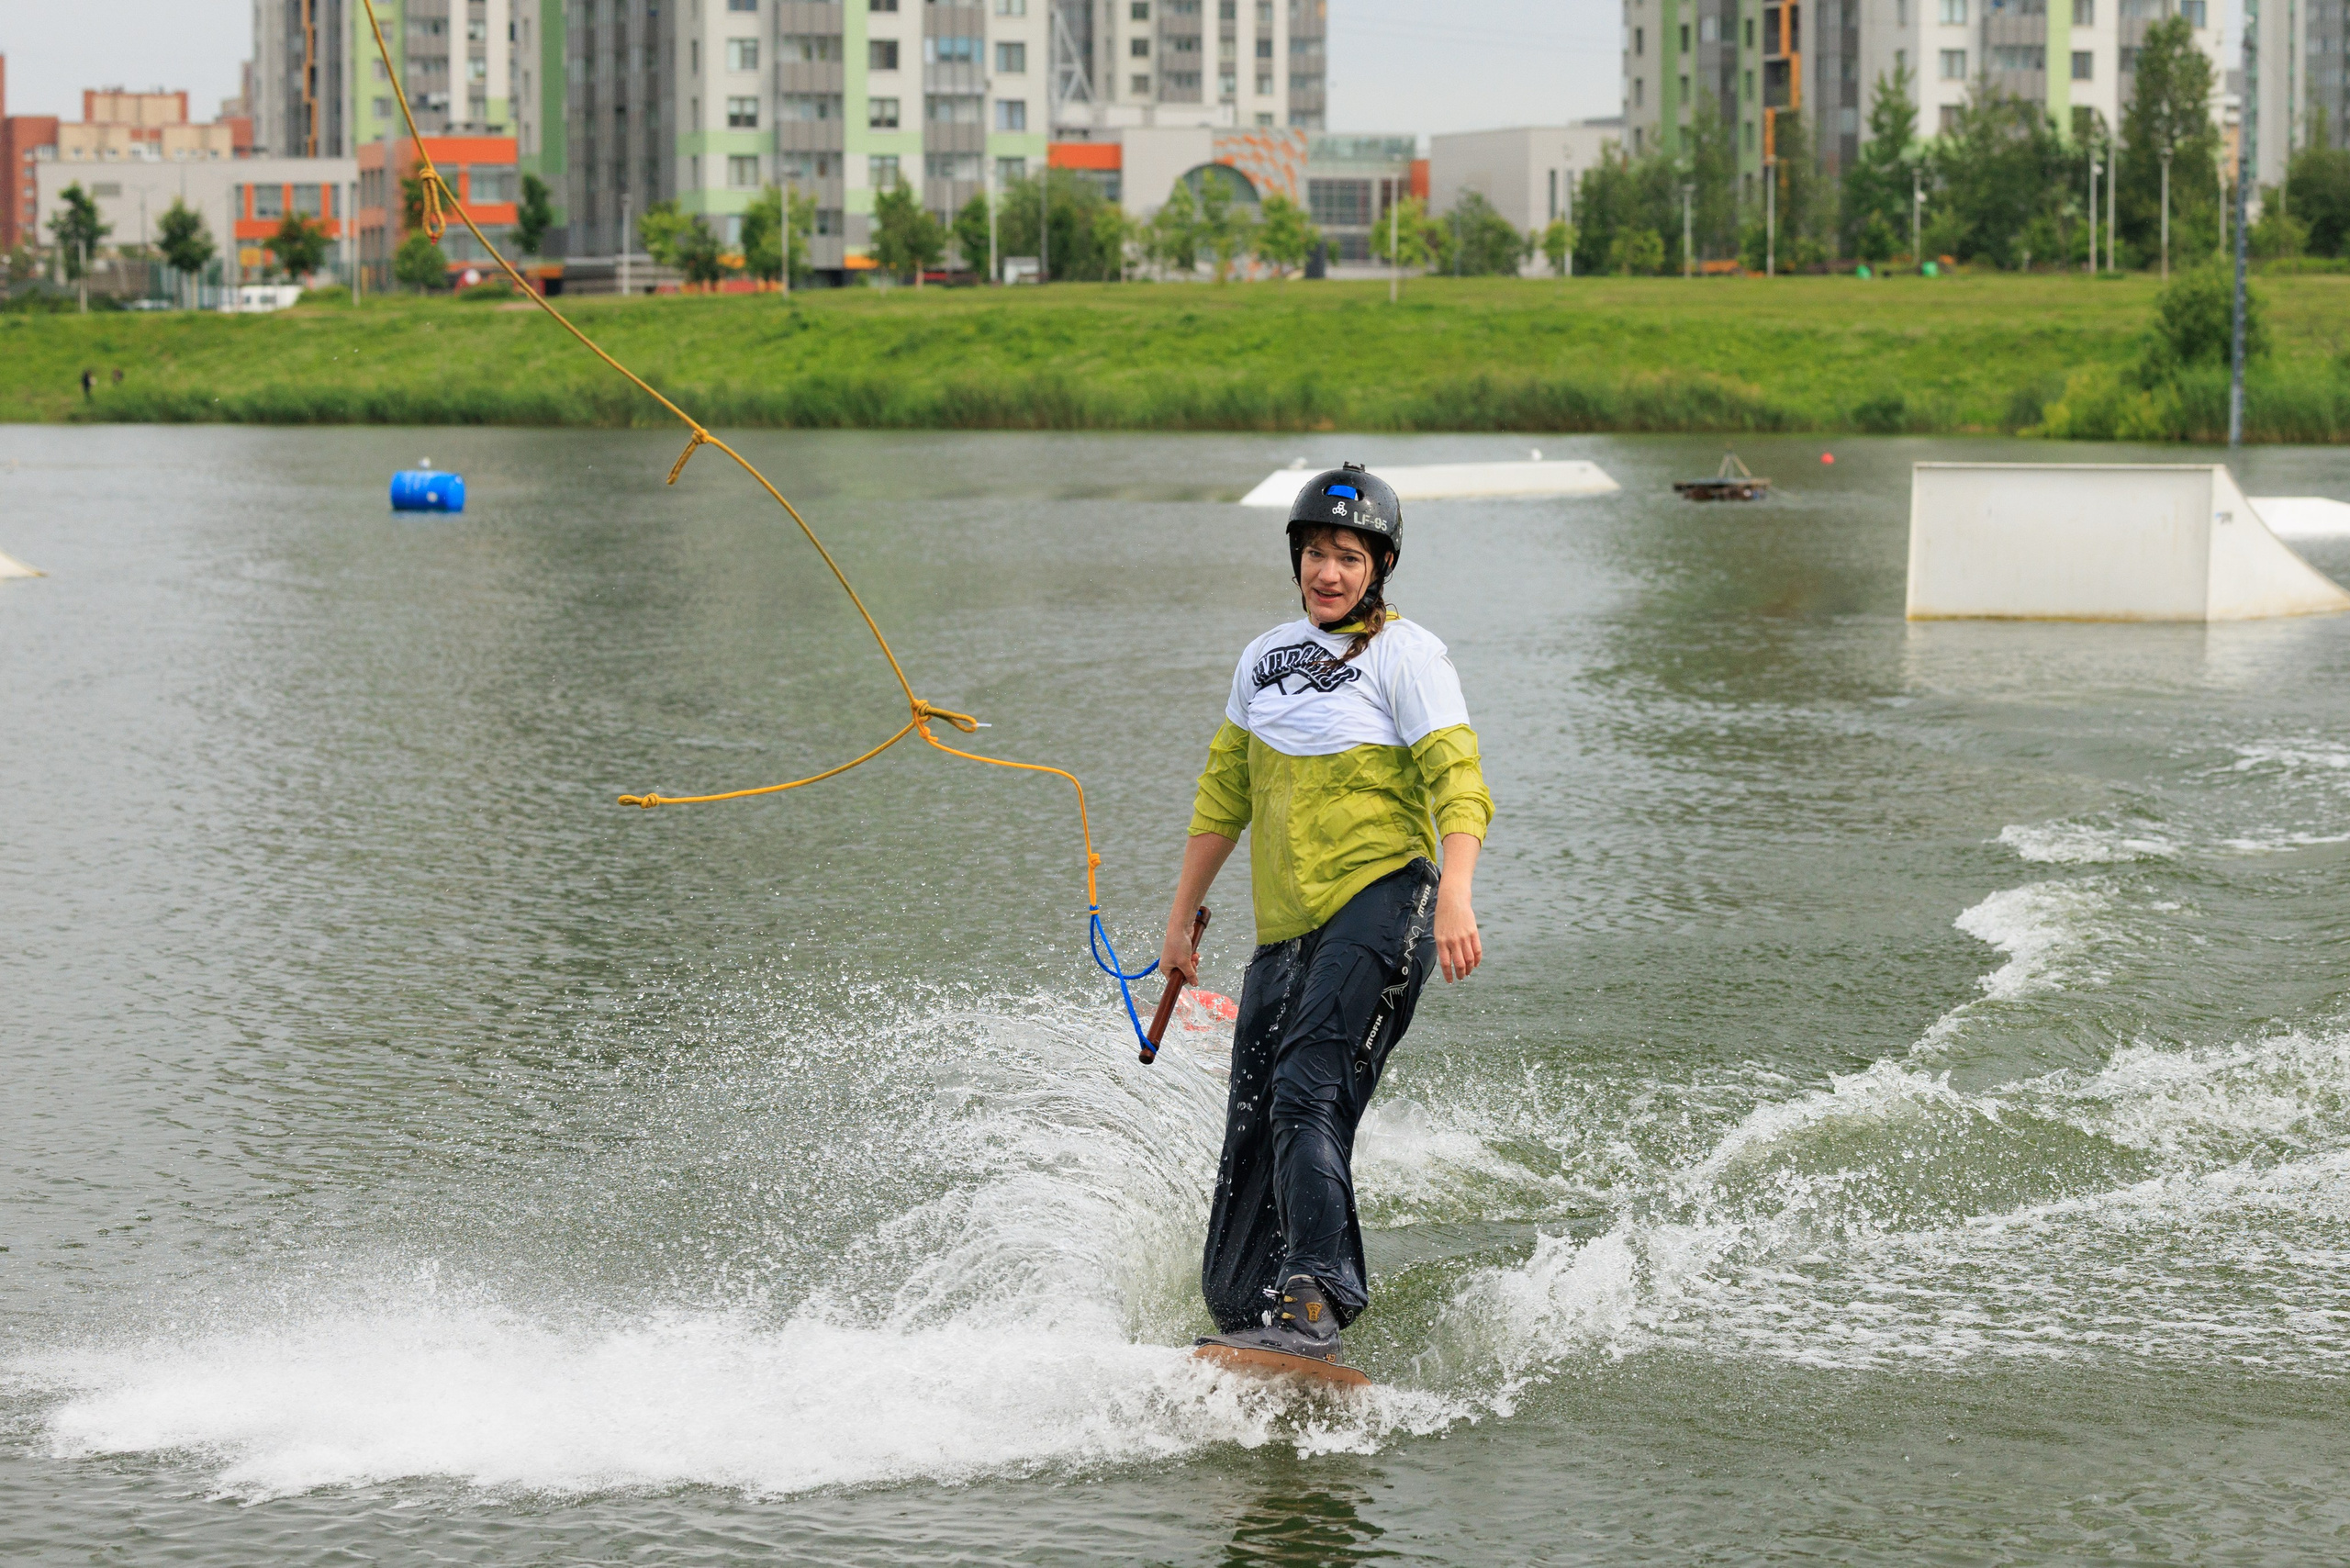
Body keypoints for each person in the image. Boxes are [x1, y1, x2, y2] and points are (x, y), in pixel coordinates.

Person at [1163, 462, 1494, 1369]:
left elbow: (1458, 783)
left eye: (1347, 556)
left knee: (1309, 1088)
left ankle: (1314, 1302)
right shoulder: (1260, 660)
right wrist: (1182, 919)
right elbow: (1221, 794)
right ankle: (1248, 1311)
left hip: (1384, 897)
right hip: (1284, 929)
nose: (1328, 571)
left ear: (1378, 564)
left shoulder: (1405, 653)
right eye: (1315, 553)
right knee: (1254, 1114)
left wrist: (1456, 892)